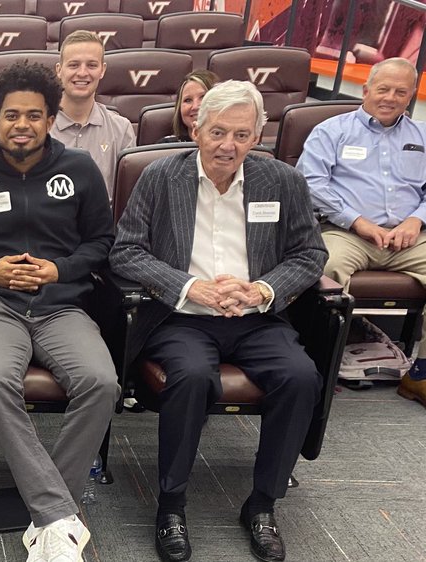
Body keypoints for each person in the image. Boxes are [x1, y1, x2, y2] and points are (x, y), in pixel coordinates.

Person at [111, 80, 326, 562]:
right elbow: (125, 250)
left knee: (300, 377)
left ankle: (263, 504)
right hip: (182, 317)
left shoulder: (282, 182)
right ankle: (170, 505)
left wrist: (263, 289)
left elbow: (310, 253)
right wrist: (190, 287)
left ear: (258, 136)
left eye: (242, 135)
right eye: (218, 132)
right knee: (190, 377)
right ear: (197, 127)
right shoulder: (161, 177)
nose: (228, 145)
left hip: (257, 318)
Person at [0, 61, 118, 561]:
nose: (22, 125)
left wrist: (60, 270)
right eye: (12, 115)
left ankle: (50, 514)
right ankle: (58, 515)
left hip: (62, 307)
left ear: (51, 118)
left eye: (34, 115)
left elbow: (102, 241)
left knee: (102, 384)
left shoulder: (78, 169)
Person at [297, 57, 426, 407]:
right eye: (383, 89)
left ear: (410, 96)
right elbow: (310, 184)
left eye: (400, 91)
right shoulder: (332, 131)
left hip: (409, 236)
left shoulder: (422, 136)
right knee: (327, 271)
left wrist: (416, 219)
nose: (390, 97)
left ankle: (420, 375)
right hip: (347, 232)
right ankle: (319, 366)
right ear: (366, 90)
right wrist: (357, 221)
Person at [49, 30, 136, 194]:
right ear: (59, 70)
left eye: (91, 65)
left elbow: (128, 198)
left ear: (102, 70)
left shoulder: (121, 129)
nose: (82, 73)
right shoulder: (39, 127)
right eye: (74, 65)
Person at [160, 70, 219, 143]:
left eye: (203, 97)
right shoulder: (167, 146)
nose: (195, 107)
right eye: (188, 100)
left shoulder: (229, 146)